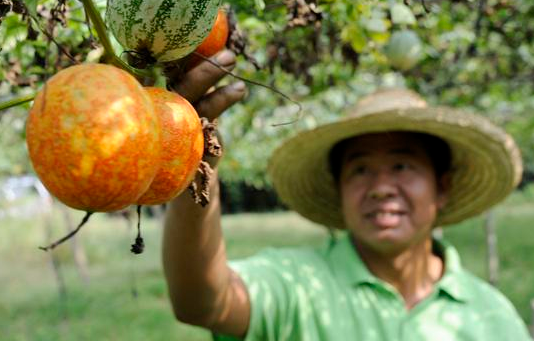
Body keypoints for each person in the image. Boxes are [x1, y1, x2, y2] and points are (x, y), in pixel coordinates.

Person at [162, 49, 532, 341]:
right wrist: (194, 161)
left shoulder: (491, 315)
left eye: (402, 166)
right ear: (339, 188)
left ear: (442, 186)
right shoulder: (297, 285)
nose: (381, 187)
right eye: (360, 169)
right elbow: (205, 301)